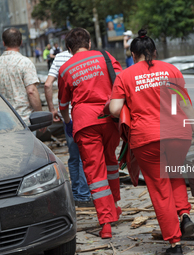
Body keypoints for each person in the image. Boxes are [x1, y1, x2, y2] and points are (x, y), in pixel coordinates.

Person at [109, 29, 194, 255]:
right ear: (154, 51)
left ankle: (174, 243)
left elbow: (114, 109)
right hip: (178, 135)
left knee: (160, 188)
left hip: (147, 138)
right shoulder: (171, 69)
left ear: (133, 54)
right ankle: (184, 214)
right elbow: (186, 105)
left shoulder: (125, 75)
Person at [58, 28, 123, 239]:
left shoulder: (66, 69)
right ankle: (115, 206)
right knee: (111, 163)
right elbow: (122, 82)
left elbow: (63, 103)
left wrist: (68, 121)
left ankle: (105, 223)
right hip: (110, 117)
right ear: (89, 42)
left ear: (69, 49)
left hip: (85, 123)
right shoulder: (105, 56)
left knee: (95, 174)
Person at [44, 50, 94, 207]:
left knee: (73, 156)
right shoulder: (90, 57)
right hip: (84, 114)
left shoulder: (59, 58)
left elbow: (47, 84)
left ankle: (76, 193)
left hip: (67, 115)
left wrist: (52, 109)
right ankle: (84, 195)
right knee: (84, 156)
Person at [0, 27, 42, 125]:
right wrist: (40, 116)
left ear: (3, 43)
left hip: (2, 121)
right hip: (23, 120)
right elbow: (31, 91)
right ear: (21, 42)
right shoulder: (25, 62)